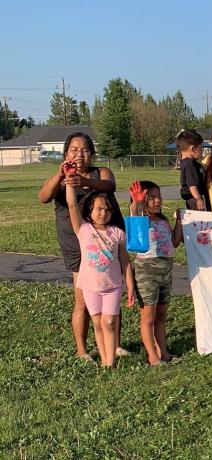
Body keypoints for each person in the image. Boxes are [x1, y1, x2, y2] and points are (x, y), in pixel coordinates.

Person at [37, 132, 128, 362]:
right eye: (74, 150)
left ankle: (114, 346)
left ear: (92, 154)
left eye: (85, 149)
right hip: (78, 244)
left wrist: (86, 181)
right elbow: (43, 197)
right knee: (83, 300)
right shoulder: (62, 178)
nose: (79, 154)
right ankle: (82, 350)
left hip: (109, 242)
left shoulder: (100, 173)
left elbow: (110, 184)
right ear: (66, 153)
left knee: (112, 295)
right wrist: (61, 175)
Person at [65, 173, 135, 367]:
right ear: (89, 211)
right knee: (97, 323)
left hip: (113, 286)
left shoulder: (118, 233)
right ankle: (104, 360)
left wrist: (129, 286)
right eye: (98, 209)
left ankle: (110, 362)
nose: (103, 213)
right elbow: (71, 205)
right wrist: (70, 181)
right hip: (89, 286)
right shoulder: (83, 229)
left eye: (106, 209)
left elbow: (125, 262)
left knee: (109, 323)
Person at [129, 181, 183, 365]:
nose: (157, 200)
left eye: (158, 196)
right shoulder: (141, 219)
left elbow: (175, 241)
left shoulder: (163, 220)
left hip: (165, 272)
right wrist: (136, 203)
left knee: (161, 315)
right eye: (151, 197)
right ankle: (152, 356)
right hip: (146, 273)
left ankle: (164, 352)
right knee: (148, 317)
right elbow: (134, 214)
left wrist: (179, 221)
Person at [178, 129, 210, 211]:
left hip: (190, 198)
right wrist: (198, 198)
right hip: (194, 198)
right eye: (201, 148)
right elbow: (192, 184)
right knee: (201, 220)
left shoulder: (184, 162)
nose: (202, 150)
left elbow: (183, 181)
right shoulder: (190, 164)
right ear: (193, 149)